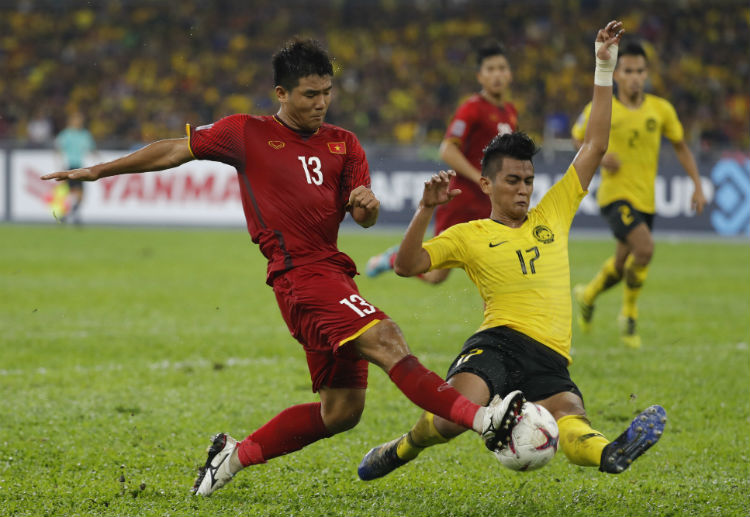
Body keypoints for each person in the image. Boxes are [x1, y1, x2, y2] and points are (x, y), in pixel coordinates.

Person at [42, 38, 525, 497]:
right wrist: (99, 170)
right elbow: (174, 149)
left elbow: (364, 217)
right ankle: (486, 421)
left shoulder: (344, 144)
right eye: (310, 94)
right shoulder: (246, 133)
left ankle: (232, 456)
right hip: (298, 277)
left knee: (341, 412)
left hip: (333, 274)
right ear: (281, 93)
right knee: (386, 338)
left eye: (327, 92)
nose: (321, 103)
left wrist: (365, 204)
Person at [358, 21, 666, 482]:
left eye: (528, 181)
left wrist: (604, 65)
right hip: (496, 345)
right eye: (512, 181)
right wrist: (424, 211)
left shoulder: (553, 212)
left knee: (572, 423)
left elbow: (595, 145)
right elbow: (407, 266)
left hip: (550, 356)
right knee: (450, 418)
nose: (523, 190)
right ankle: (402, 447)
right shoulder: (470, 233)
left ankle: (611, 454)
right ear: (486, 184)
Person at [571, 41, 707, 349]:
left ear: (646, 74)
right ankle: (629, 317)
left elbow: (681, 147)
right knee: (644, 248)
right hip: (613, 195)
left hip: (646, 198)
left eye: (640, 71)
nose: (634, 77)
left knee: (622, 264)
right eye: (628, 71)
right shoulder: (601, 108)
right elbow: (577, 136)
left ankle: (587, 295)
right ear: (617, 75)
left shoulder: (661, 110)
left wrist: (698, 185)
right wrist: (599, 156)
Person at [365, 40, 517, 284]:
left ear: (509, 74)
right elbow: (447, 149)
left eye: (501, 68)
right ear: (480, 76)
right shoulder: (472, 109)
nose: (497, 74)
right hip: (461, 201)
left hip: (490, 202)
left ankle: (500, 319)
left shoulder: (510, 112)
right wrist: (479, 177)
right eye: (490, 69)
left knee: (499, 263)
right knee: (436, 275)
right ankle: (394, 258)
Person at [54, 111, 97, 224]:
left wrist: (100, 159)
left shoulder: (85, 134)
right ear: (71, 121)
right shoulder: (66, 134)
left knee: (81, 195)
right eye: (76, 119)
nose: (78, 122)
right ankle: (72, 215)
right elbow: (58, 148)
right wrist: (60, 164)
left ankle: (67, 215)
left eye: (80, 119)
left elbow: (91, 148)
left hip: (80, 167)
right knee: (74, 192)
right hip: (70, 166)